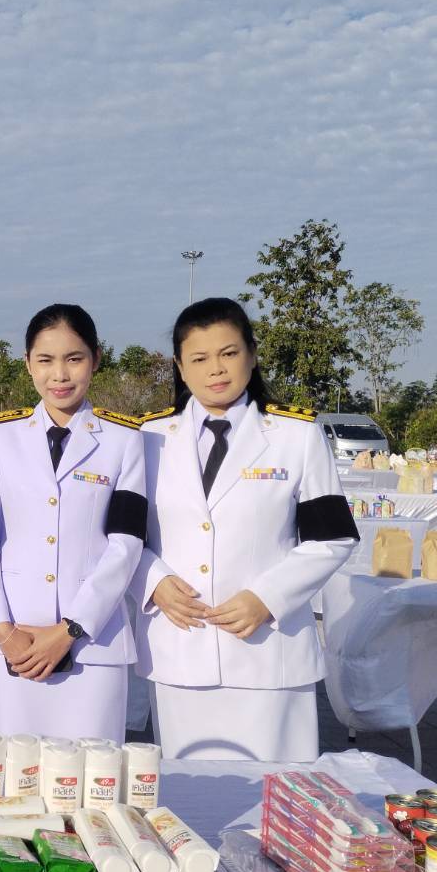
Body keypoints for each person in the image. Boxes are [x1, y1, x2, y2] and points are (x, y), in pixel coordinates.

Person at [133, 296, 357, 762]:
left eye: (229, 353)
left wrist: (267, 598)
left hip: (268, 649)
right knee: (190, 790)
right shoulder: (148, 438)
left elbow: (332, 537)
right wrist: (152, 583)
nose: (215, 369)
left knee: (276, 791)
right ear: (180, 367)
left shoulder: (296, 436)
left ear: (252, 356)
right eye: (199, 358)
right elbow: (121, 537)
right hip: (180, 645)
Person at [0, 304, 147, 741]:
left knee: (93, 772)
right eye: (45, 360)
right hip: (16, 642)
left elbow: (126, 543)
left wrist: (71, 628)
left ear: (96, 358)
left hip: (94, 644)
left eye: (74, 358)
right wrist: (2, 630)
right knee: (15, 770)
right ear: (27, 363)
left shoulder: (124, 440)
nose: (60, 375)